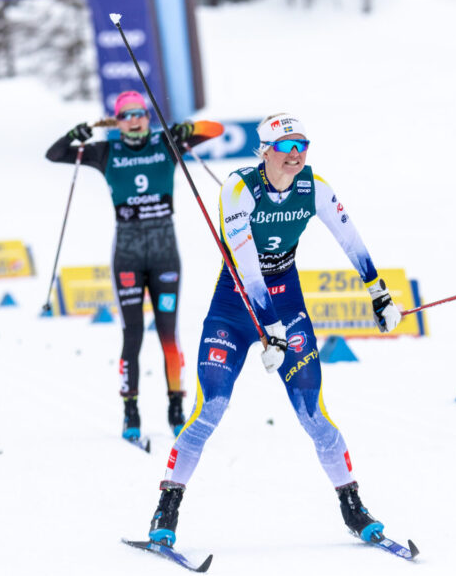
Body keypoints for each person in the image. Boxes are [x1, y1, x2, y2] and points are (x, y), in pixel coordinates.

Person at [145, 113, 404, 547]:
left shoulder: (314, 188)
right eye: (286, 147)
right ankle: (166, 508)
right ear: (263, 150)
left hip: (287, 302)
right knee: (211, 407)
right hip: (235, 306)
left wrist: (378, 292)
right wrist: (270, 327)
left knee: (313, 414)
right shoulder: (239, 189)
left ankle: (352, 506)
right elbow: (246, 267)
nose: (296, 155)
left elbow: (350, 238)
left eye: (302, 145)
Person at [45, 91, 221, 441]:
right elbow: (55, 155)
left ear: (147, 116)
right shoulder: (105, 151)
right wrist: (73, 136)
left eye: (140, 113)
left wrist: (188, 128)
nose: (135, 120)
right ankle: (131, 413)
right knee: (133, 336)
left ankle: (176, 409)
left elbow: (214, 129)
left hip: (164, 253)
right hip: (127, 254)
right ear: (117, 121)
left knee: (169, 333)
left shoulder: (166, 143)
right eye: (126, 115)